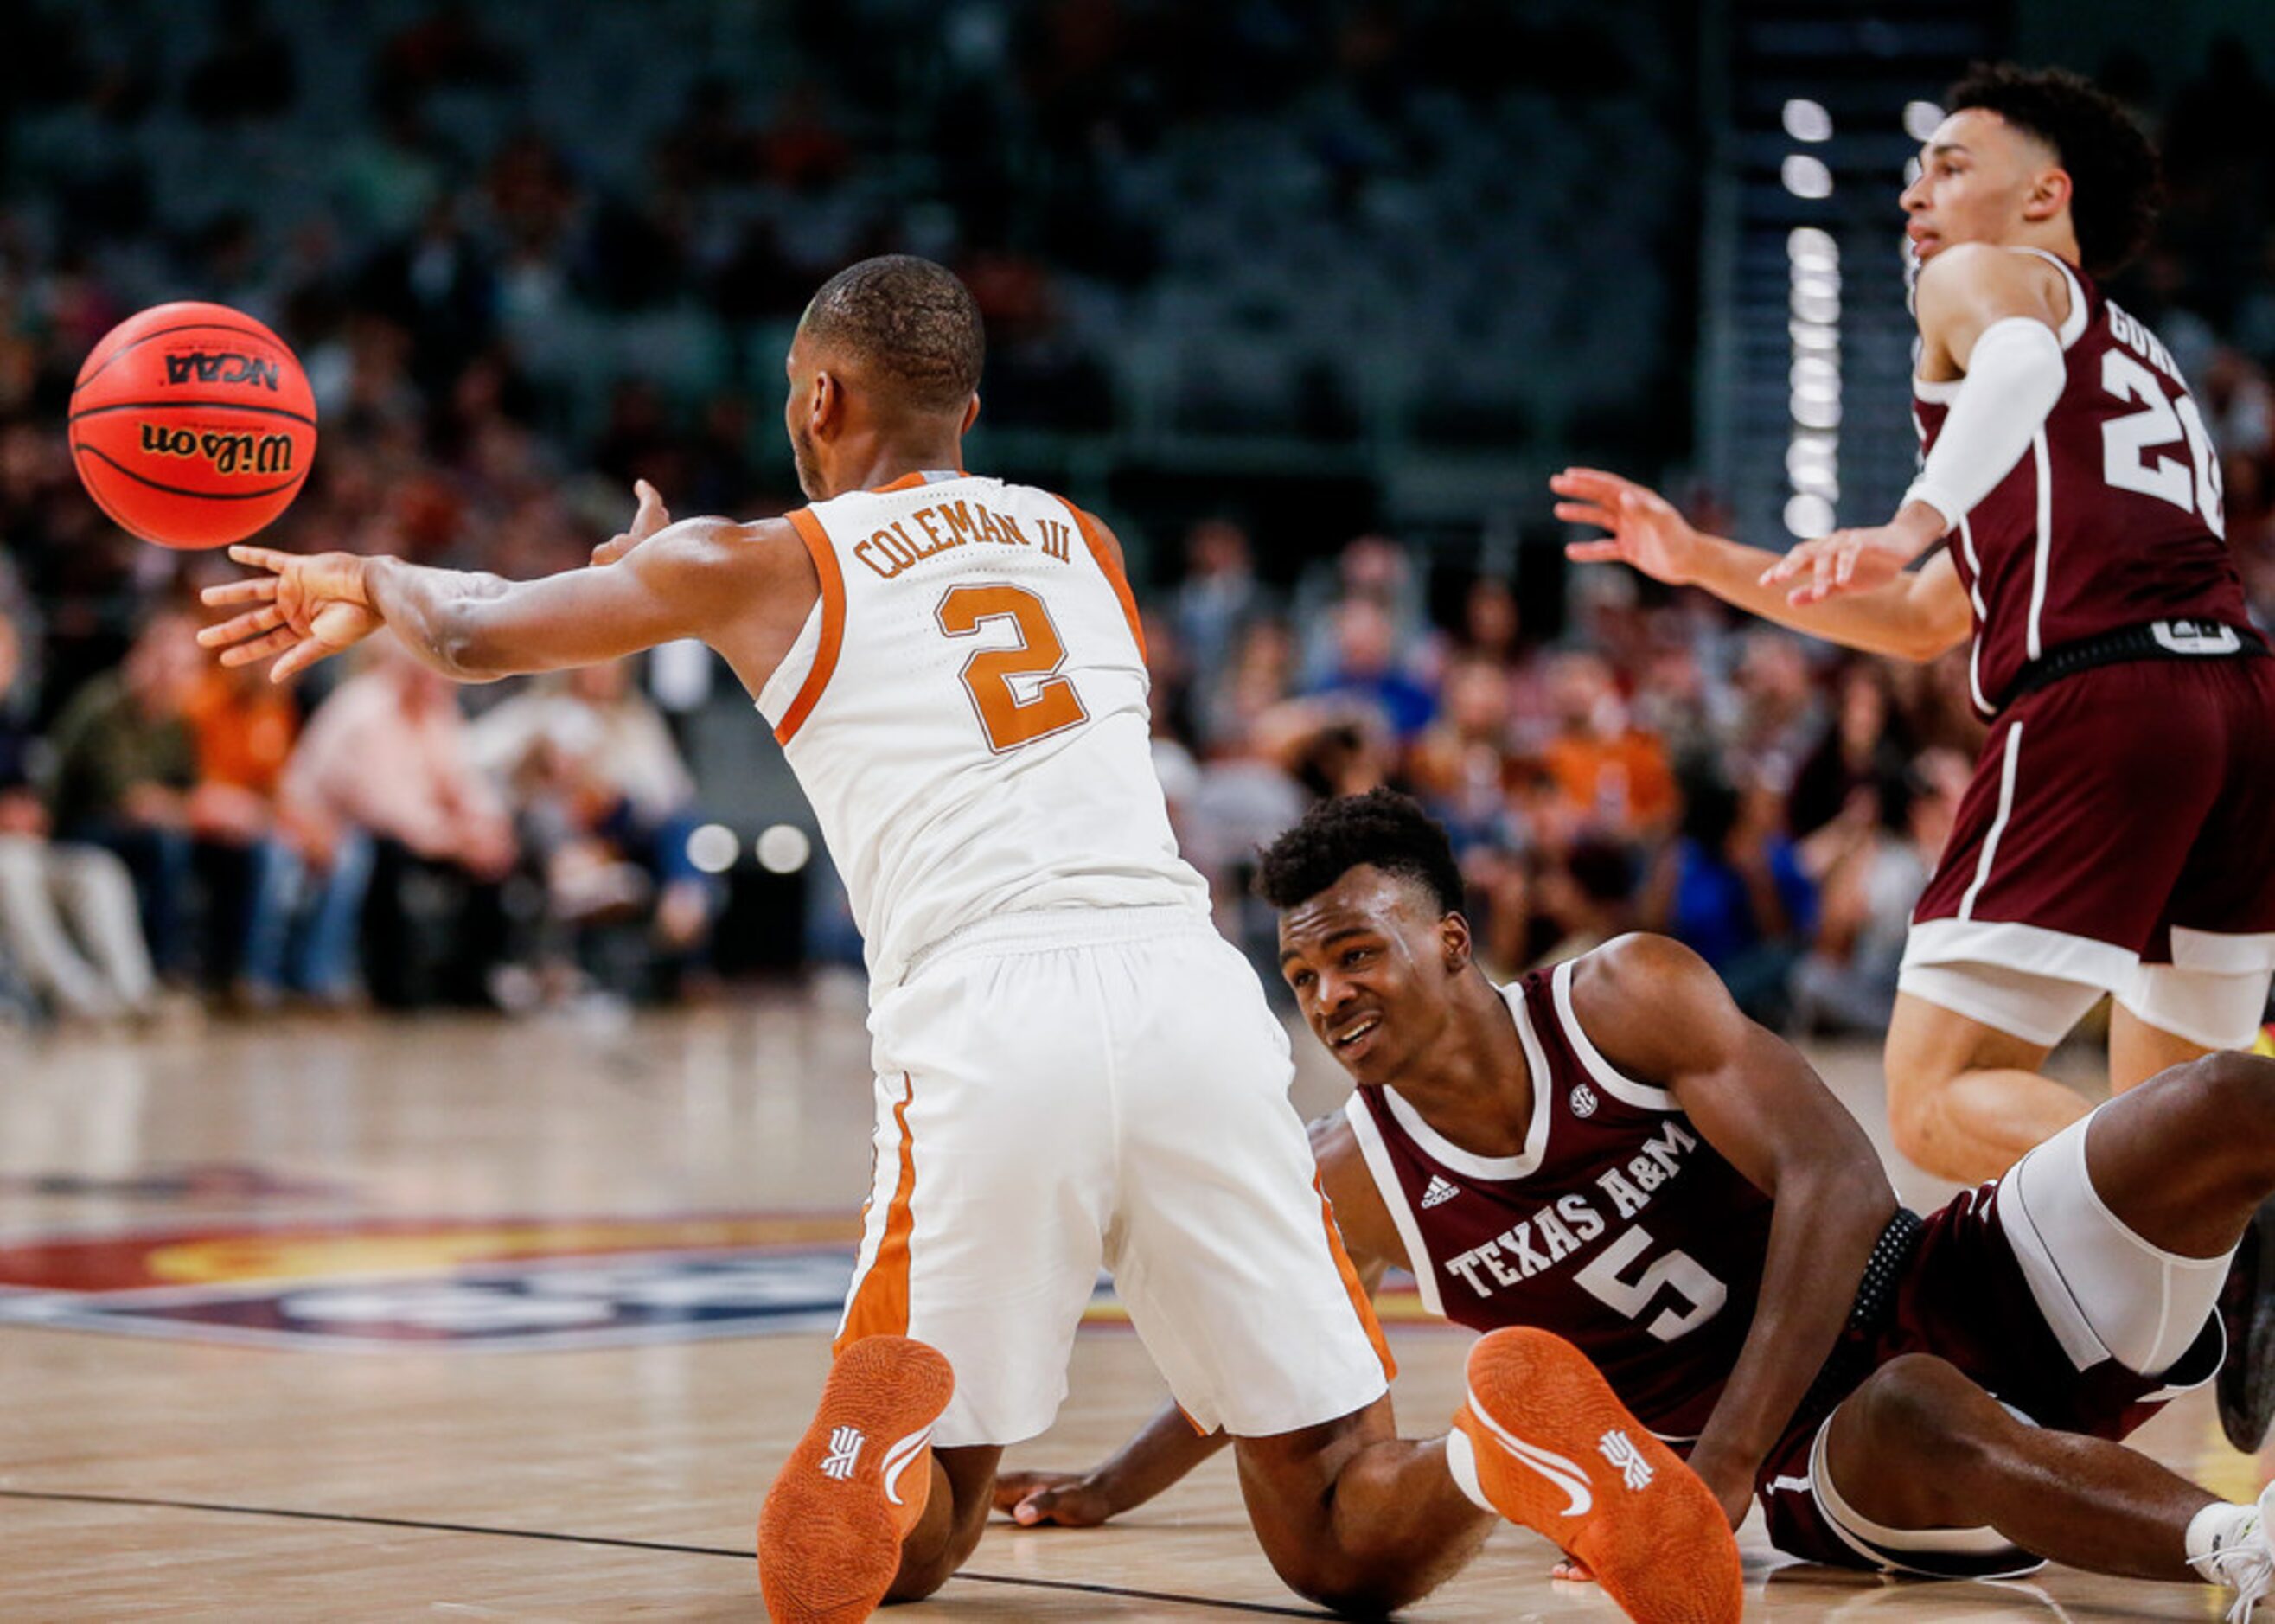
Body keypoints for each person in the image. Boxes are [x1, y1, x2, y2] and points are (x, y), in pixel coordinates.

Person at [196, 256, 1741, 1624]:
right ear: (973, 412)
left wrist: (366, 577)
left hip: (989, 1017)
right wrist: (651, 583)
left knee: (919, 1537)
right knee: (1344, 1527)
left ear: (818, 395)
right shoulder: (1084, 542)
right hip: (1192, 1000)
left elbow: (470, 633)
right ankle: (1503, 1447)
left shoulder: (759, 559)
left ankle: (875, 1441)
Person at [997, 790, 2275, 1617]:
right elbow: (1259, 1367)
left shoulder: (1619, 999)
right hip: (1821, 1455)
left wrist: (1704, 1469)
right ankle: (2242, 1545)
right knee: (1913, 1405)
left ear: (1450, 941)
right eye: (1302, 971)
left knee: (2224, 1100)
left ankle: (2251, 1258)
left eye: (1355, 952)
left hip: (1943, 1281)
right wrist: (1115, 1483)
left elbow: (1838, 1181)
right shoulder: (1352, 1174)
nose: (1327, 995)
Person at [1551, 67, 2275, 1212]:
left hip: (2107, 704)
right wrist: (1698, 563)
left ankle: (2240, 1187)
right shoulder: (2139, 357)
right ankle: (2148, 1304)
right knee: (2179, 1128)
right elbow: (1926, 616)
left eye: (1949, 165)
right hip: (2236, 711)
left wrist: (1909, 517)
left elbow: (2014, 372)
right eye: (1911, 174)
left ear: (2045, 196)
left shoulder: (1985, 279)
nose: (1914, 197)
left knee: (1939, 1097)